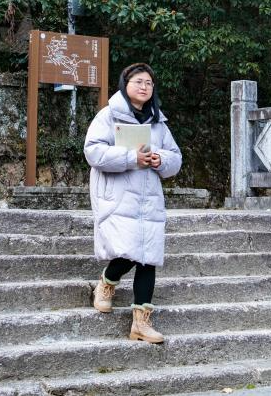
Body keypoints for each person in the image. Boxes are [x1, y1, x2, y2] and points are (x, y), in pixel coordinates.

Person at [83, 62, 182, 343]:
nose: (144, 87)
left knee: (148, 258)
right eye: (138, 81)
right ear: (125, 85)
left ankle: (141, 323)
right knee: (127, 252)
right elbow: (93, 152)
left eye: (149, 83)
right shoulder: (108, 115)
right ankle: (106, 283)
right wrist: (131, 158)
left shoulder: (158, 122)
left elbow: (175, 157)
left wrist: (159, 159)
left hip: (149, 198)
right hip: (119, 195)